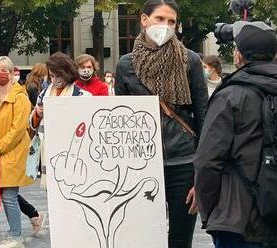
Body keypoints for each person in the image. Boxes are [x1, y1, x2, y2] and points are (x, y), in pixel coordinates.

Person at [115, 1, 208, 247]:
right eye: (159, 19)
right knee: (142, 238)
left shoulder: (191, 60)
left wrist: (202, 174)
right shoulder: (126, 64)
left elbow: (204, 117)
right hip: (142, 165)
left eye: (171, 21)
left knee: (180, 238)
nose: (165, 26)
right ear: (144, 20)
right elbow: (122, 122)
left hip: (184, 163)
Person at [194, 21, 277, 248]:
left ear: (238, 55)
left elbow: (207, 160)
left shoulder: (230, 95)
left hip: (238, 217)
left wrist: (210, 211)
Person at [0, 66, 45, 237]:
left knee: (8, 195)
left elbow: (17, 129)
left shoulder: (20, 98)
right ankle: (32, 217)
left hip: (12, 152)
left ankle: (15, 234)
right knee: (4, 193)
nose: (0, 74)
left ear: (10, 73)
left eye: (4, 70)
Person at [30, 52, 91, 189]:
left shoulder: (81, 95)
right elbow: (32, 122)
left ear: (68, 73)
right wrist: (38, 114)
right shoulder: (44, 92)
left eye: (59, 75)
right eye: (52, 76)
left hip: (71, 149)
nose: (55, 80)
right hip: (48, 147)